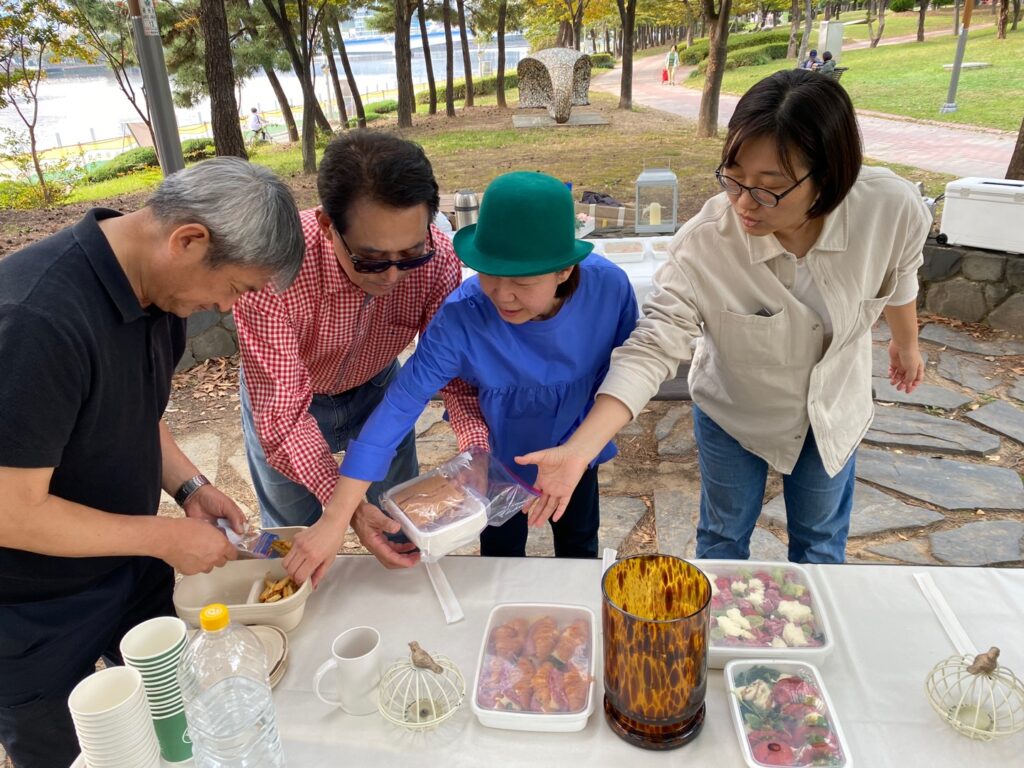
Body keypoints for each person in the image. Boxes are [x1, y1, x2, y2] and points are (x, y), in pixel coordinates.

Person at [518, 69, 931, 565]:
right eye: (734, 178)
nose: (742, 203)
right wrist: (580, 449)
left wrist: (905, 342)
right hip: (735, 412)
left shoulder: (892, 208)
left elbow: (901, 269)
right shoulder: (706, 243)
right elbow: (652, 345)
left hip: (832, 411)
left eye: (768, 188)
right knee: (722, 540)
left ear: (830, 176)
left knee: (821, 543)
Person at [0, 157, 305, 768]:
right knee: (83, 754)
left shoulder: (157, 297)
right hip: (33, 613)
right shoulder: (38, 321)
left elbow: (134, 414)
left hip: (129, 572)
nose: (226, 309)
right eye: (236, 288)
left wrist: (189, 485)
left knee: (175, 733)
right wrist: (164, 536)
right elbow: (11, 511)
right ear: (188, 240)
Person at [282, 171, 638, 587]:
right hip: (501, 458)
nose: (502, 296)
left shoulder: (609, 290)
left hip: (578, 447)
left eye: (522, 282)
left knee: (579, 542)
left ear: (563, 271)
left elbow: (626, 374)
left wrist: (581, 448)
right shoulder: (463, 316)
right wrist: (336, 516)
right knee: (500, 553)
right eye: (489, 274)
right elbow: (399, 405)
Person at [233, 131, 488, 566]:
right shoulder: (273, 271)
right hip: (292, 400)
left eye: (410, 255)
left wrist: (476, 448)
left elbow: (453, 371)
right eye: (371, 259)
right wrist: (345, 509)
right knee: (293, 538)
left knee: (399, 522)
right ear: (329, 225)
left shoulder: (440, 259)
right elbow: (284, 414)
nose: (392, 277)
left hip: (379, 395)